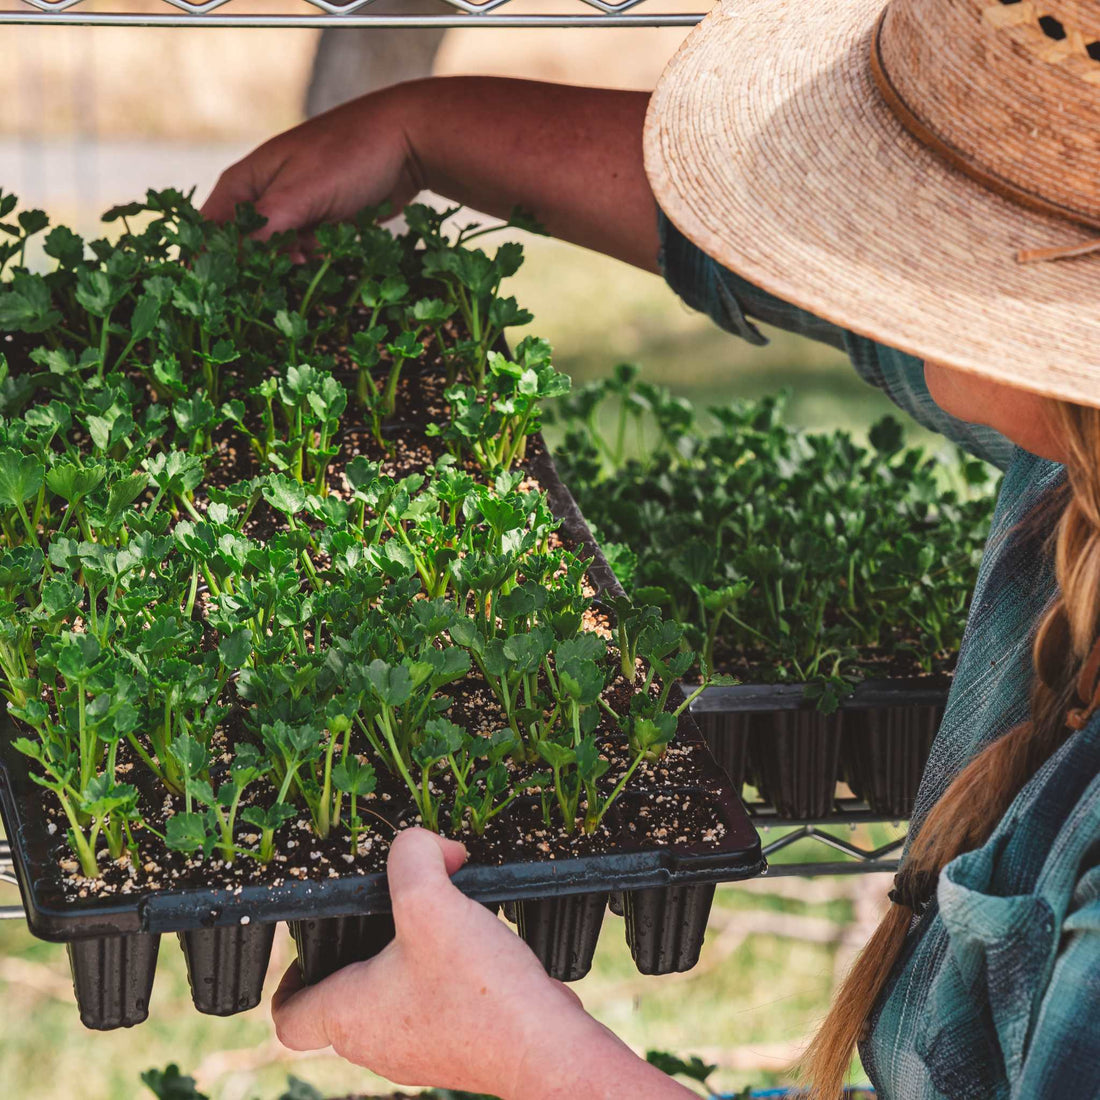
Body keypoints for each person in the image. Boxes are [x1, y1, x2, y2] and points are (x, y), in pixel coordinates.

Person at [203, 0, 1100, 1095]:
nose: (874, 233)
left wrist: (538, 1057)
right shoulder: (1065, 439)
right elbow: (786, 250)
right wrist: (422, 130)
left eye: (921, 200)